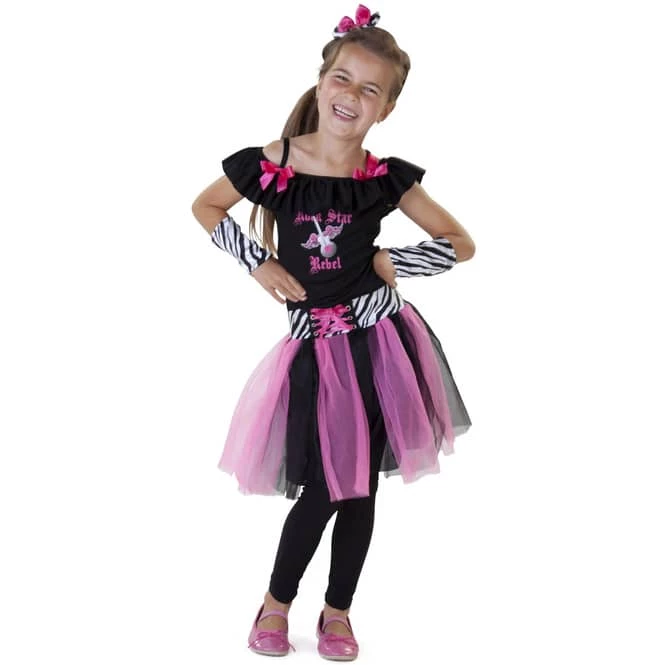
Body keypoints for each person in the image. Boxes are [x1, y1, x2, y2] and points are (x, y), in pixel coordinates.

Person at [191, 4, 475, 660]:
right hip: (315, 351)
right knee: (325, 484)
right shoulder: (272, 165)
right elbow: (204, 205)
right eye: (343, 78)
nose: (352, 95)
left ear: (387, 108)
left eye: (371, 89)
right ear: (321, 81)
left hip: (381, 346)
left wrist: (395, 261)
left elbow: (460, 243)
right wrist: (257, 261)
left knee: (359, 487)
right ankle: (276, 601)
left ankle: (338, 610)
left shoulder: (382, 179)